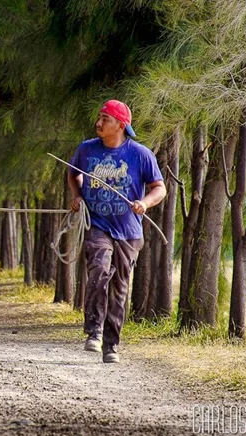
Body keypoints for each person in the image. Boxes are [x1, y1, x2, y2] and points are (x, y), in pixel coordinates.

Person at [67, 99, 166, 363]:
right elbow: (73, 173)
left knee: (120, 288)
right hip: (97, 225)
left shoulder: (141, 154)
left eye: (105, 119)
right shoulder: (87, 150)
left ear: (120, 125)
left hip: (129, 232)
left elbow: (160, 188)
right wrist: (77, 196)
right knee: (99, 270)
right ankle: (94, 331)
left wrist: (144, 203)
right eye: (99, 118)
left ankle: (111, 345)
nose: (98, 123)